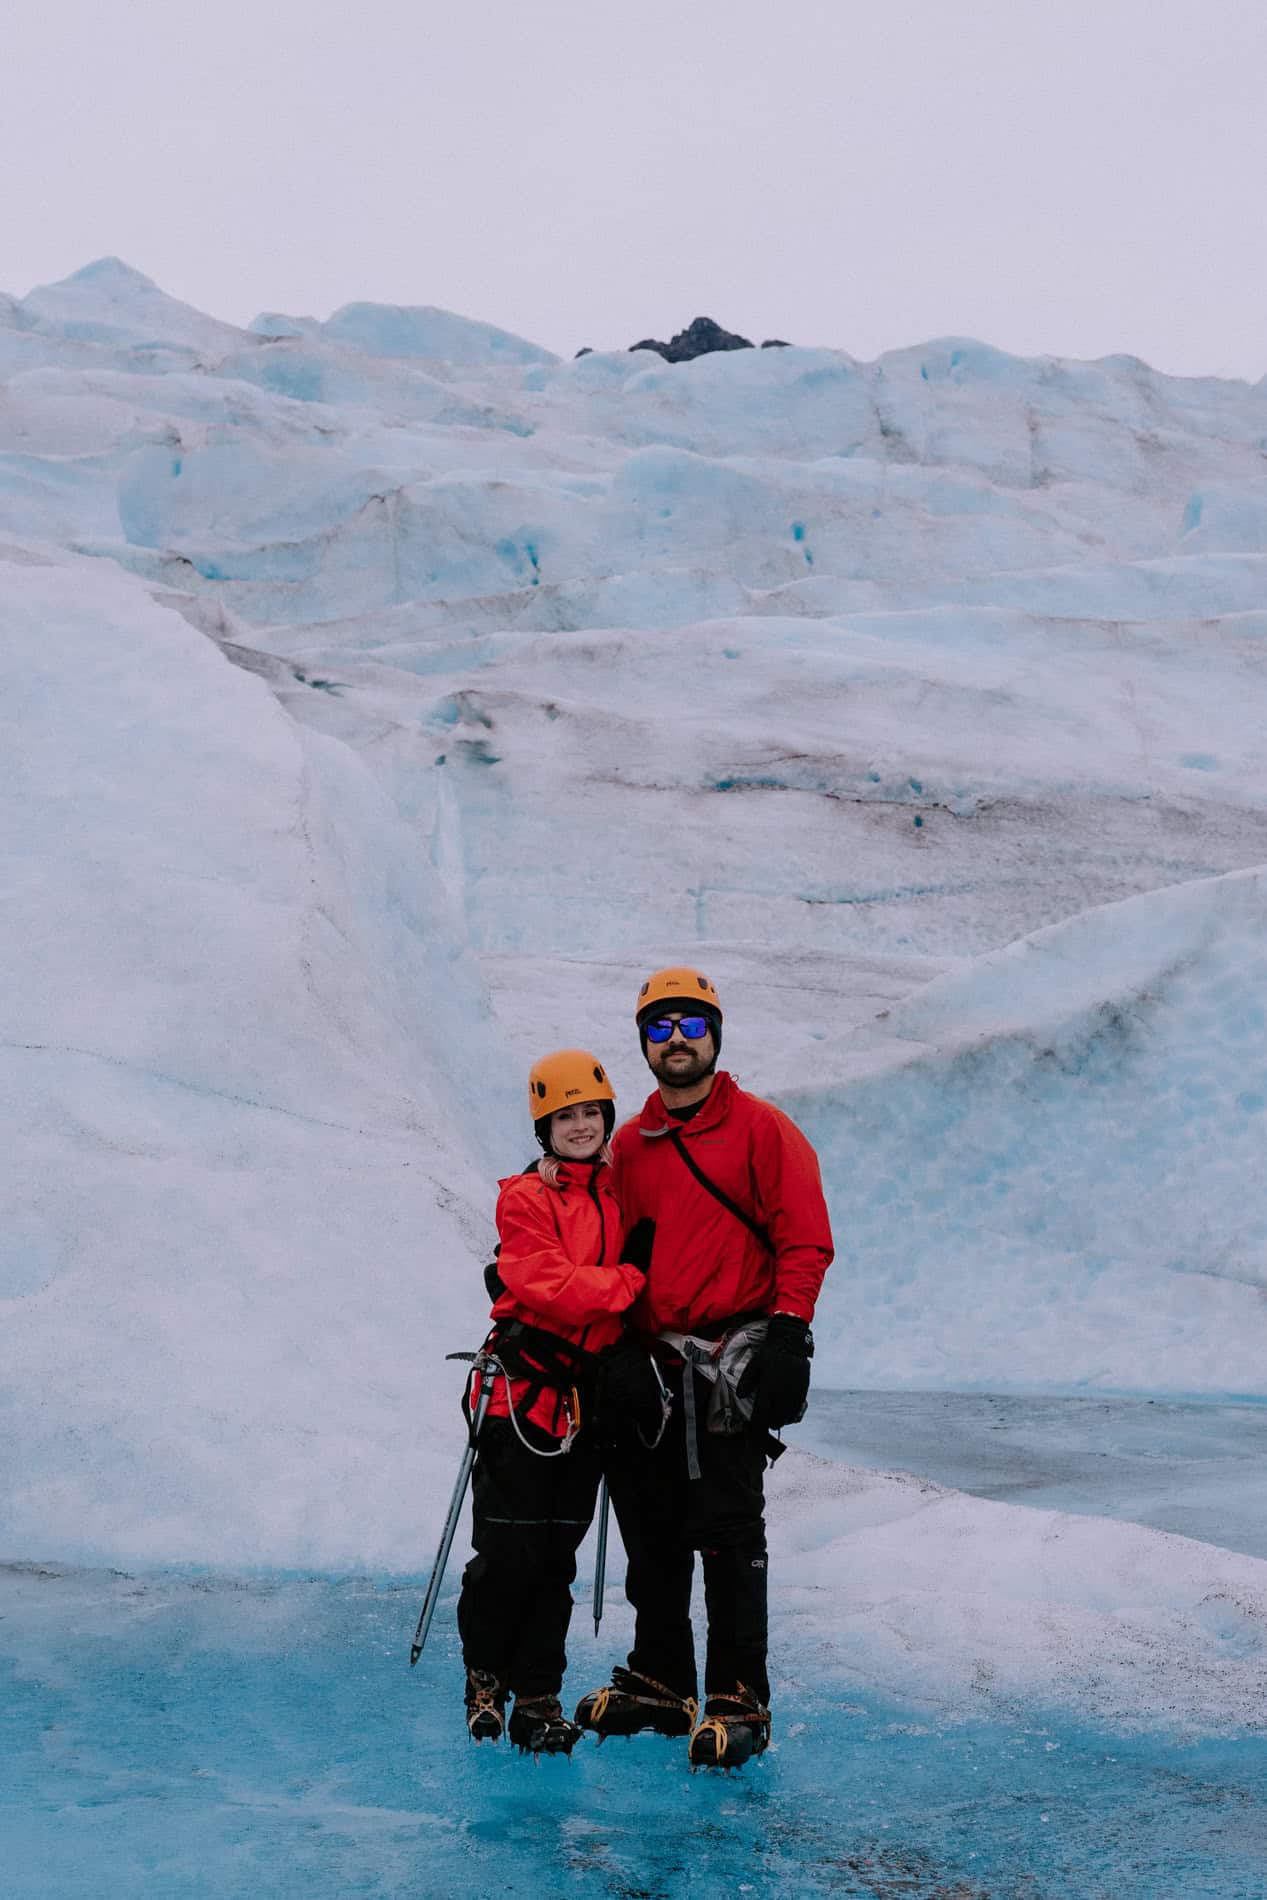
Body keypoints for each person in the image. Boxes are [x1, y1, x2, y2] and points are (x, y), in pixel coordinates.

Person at [575, 968, 834, 1768]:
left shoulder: (762, 1129)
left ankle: (737, 1697)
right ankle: (659, 1679)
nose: (676, 1039)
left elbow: (804, 1238)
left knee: (724, 1530)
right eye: (659, 1027)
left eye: (691, 1024)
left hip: (731, 1358)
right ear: (644, 1043)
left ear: (715, 1035)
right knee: (649, 1529)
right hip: (649, 1366)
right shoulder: (628, 1144)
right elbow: (602, 1244)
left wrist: (789, 1335)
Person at [456, 1048, 647, 1756]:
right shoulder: (523, 1197)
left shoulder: (618, 1196)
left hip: (584, 1402)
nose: (579, 1126)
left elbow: (574, 1287)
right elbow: (548, 1285)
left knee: (555, 1561)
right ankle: (484, 1676)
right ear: (544, 1126)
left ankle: (537, 1696)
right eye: (563, 1115)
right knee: (507, 1553)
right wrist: (627, 1281)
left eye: (589, 1113)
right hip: (519, 1401)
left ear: (606, 1119)